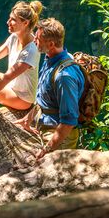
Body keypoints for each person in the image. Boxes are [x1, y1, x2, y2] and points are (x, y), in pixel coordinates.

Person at [24, 17, 85, 161]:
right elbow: (44, 98)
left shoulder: (64, 76)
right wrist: (28, 118)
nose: (34, 41)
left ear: (51, 44)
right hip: (46, 128)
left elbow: (69, 121)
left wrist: (47, 149)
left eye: (38, 39)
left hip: (60, 139)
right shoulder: (50, 59)